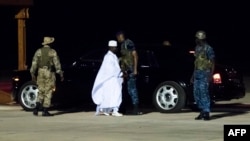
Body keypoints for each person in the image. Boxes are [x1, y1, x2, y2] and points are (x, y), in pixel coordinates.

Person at [30, 36, 64, 117]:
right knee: (48, 90)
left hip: (40, 71)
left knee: (41, 89)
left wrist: (32, 73)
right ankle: (45, 110)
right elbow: (57, 64)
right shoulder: (52, 52)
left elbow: (34, 63)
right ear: (50, 43)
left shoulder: (38, 51)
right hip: (49, 72)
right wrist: (60, 74)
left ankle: (37, 107)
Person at [91, 40, 124, 117]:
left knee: (111, 95)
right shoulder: (108, 57)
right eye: (115, 47)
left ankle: (107, 110)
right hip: (111, 79)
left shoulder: (113, 56)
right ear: (111, 47)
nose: (116, 49)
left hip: (113, 79)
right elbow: (111, 69)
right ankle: (114, 110)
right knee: (115, 94)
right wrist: (121, 72)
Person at [190, 30, 215, 121]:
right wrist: (193, 75)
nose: (196, 39)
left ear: (200, 38)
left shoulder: (208, 48)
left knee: (204, 93)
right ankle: (202, 111)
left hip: (205, 73)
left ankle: (206, 112)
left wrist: (210, 75)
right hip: (197, 73)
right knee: (197, 93)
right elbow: (196, 63)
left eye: (197, 38)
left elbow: (212, 62)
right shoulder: (197, 48)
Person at [116, 31, 142, 115]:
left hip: (130, 69)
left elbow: (135, 55)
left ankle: (136, 109)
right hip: (125, 70)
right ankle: (123, 108)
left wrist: (134, 69)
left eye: (117, 37)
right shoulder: (123, 44)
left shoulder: (129, 43)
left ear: (120, 36)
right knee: (125, 90)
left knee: (132, 89)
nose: (117, 39)